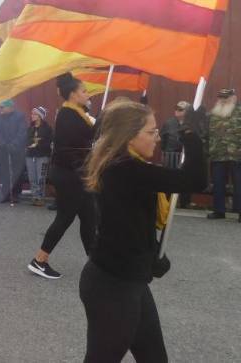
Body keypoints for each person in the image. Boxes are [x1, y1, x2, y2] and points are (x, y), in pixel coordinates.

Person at [80, 101, 206, 362]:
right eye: (151, 132)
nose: (157, 138)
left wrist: (152, 255)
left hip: (130, 280)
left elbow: (130, 224)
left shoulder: (123, 165)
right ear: (129, 136)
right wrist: (191, 135)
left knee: (154, 358)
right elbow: (195, 180)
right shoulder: (125, 170)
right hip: (112, 286)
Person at [28, 73, 96, 279]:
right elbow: (68, 148)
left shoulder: (78, 112)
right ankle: (39, 260)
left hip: (76, 173)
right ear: (73, 94)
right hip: (69, 174)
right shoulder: (68, 115)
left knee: (90, 217)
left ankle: (96, 263)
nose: (87, 94)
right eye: (84, 91)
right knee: (65, 217)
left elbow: (88, 136)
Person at [206, 88, 241, 222]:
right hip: (218, 154)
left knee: (239, 184)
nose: (222, 100)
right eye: (220, 97)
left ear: (233, 97)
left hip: (236, 155)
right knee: (218, 184)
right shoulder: (213, 114)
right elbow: (207, 133)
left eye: (225, 97)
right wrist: (208, 150)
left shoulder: (239, 111)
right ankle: (219, 210)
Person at [0, 99, 27, 203]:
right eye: (0, 107)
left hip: (17, 149)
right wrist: (3, 144)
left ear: (10, 107)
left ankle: (15, 193)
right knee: (4, 172)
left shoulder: (20, 117)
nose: (0, 109)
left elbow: (22, 132)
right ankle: (5, 193)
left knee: (17, 171)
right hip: (4, 149)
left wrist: (14, 144)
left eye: (2, 107)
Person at [160, 101, 193, 208]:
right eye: (176, 109)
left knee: (186, 178)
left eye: (181, 109)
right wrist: (165, 152)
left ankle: (185, 202)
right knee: (169, 178)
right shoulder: (168, 123)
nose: (177, 111)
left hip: (186, 155)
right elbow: (162, 138)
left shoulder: (191, 123)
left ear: (187, 112)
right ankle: (167, 201)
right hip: (171, 154)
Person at [25, 106, 53, 206]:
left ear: (40, 116)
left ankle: (40, 197)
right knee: (32, 177)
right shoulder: (30, 127)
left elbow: (48, 142)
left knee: (41, 177)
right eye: (32, 114)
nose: (32, 116)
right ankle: (34, 196)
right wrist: (30, 144)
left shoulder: (47, 128)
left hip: (42, 155)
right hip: (30, 155)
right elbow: (26, 140)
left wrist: (38, 144)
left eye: (34, 114)